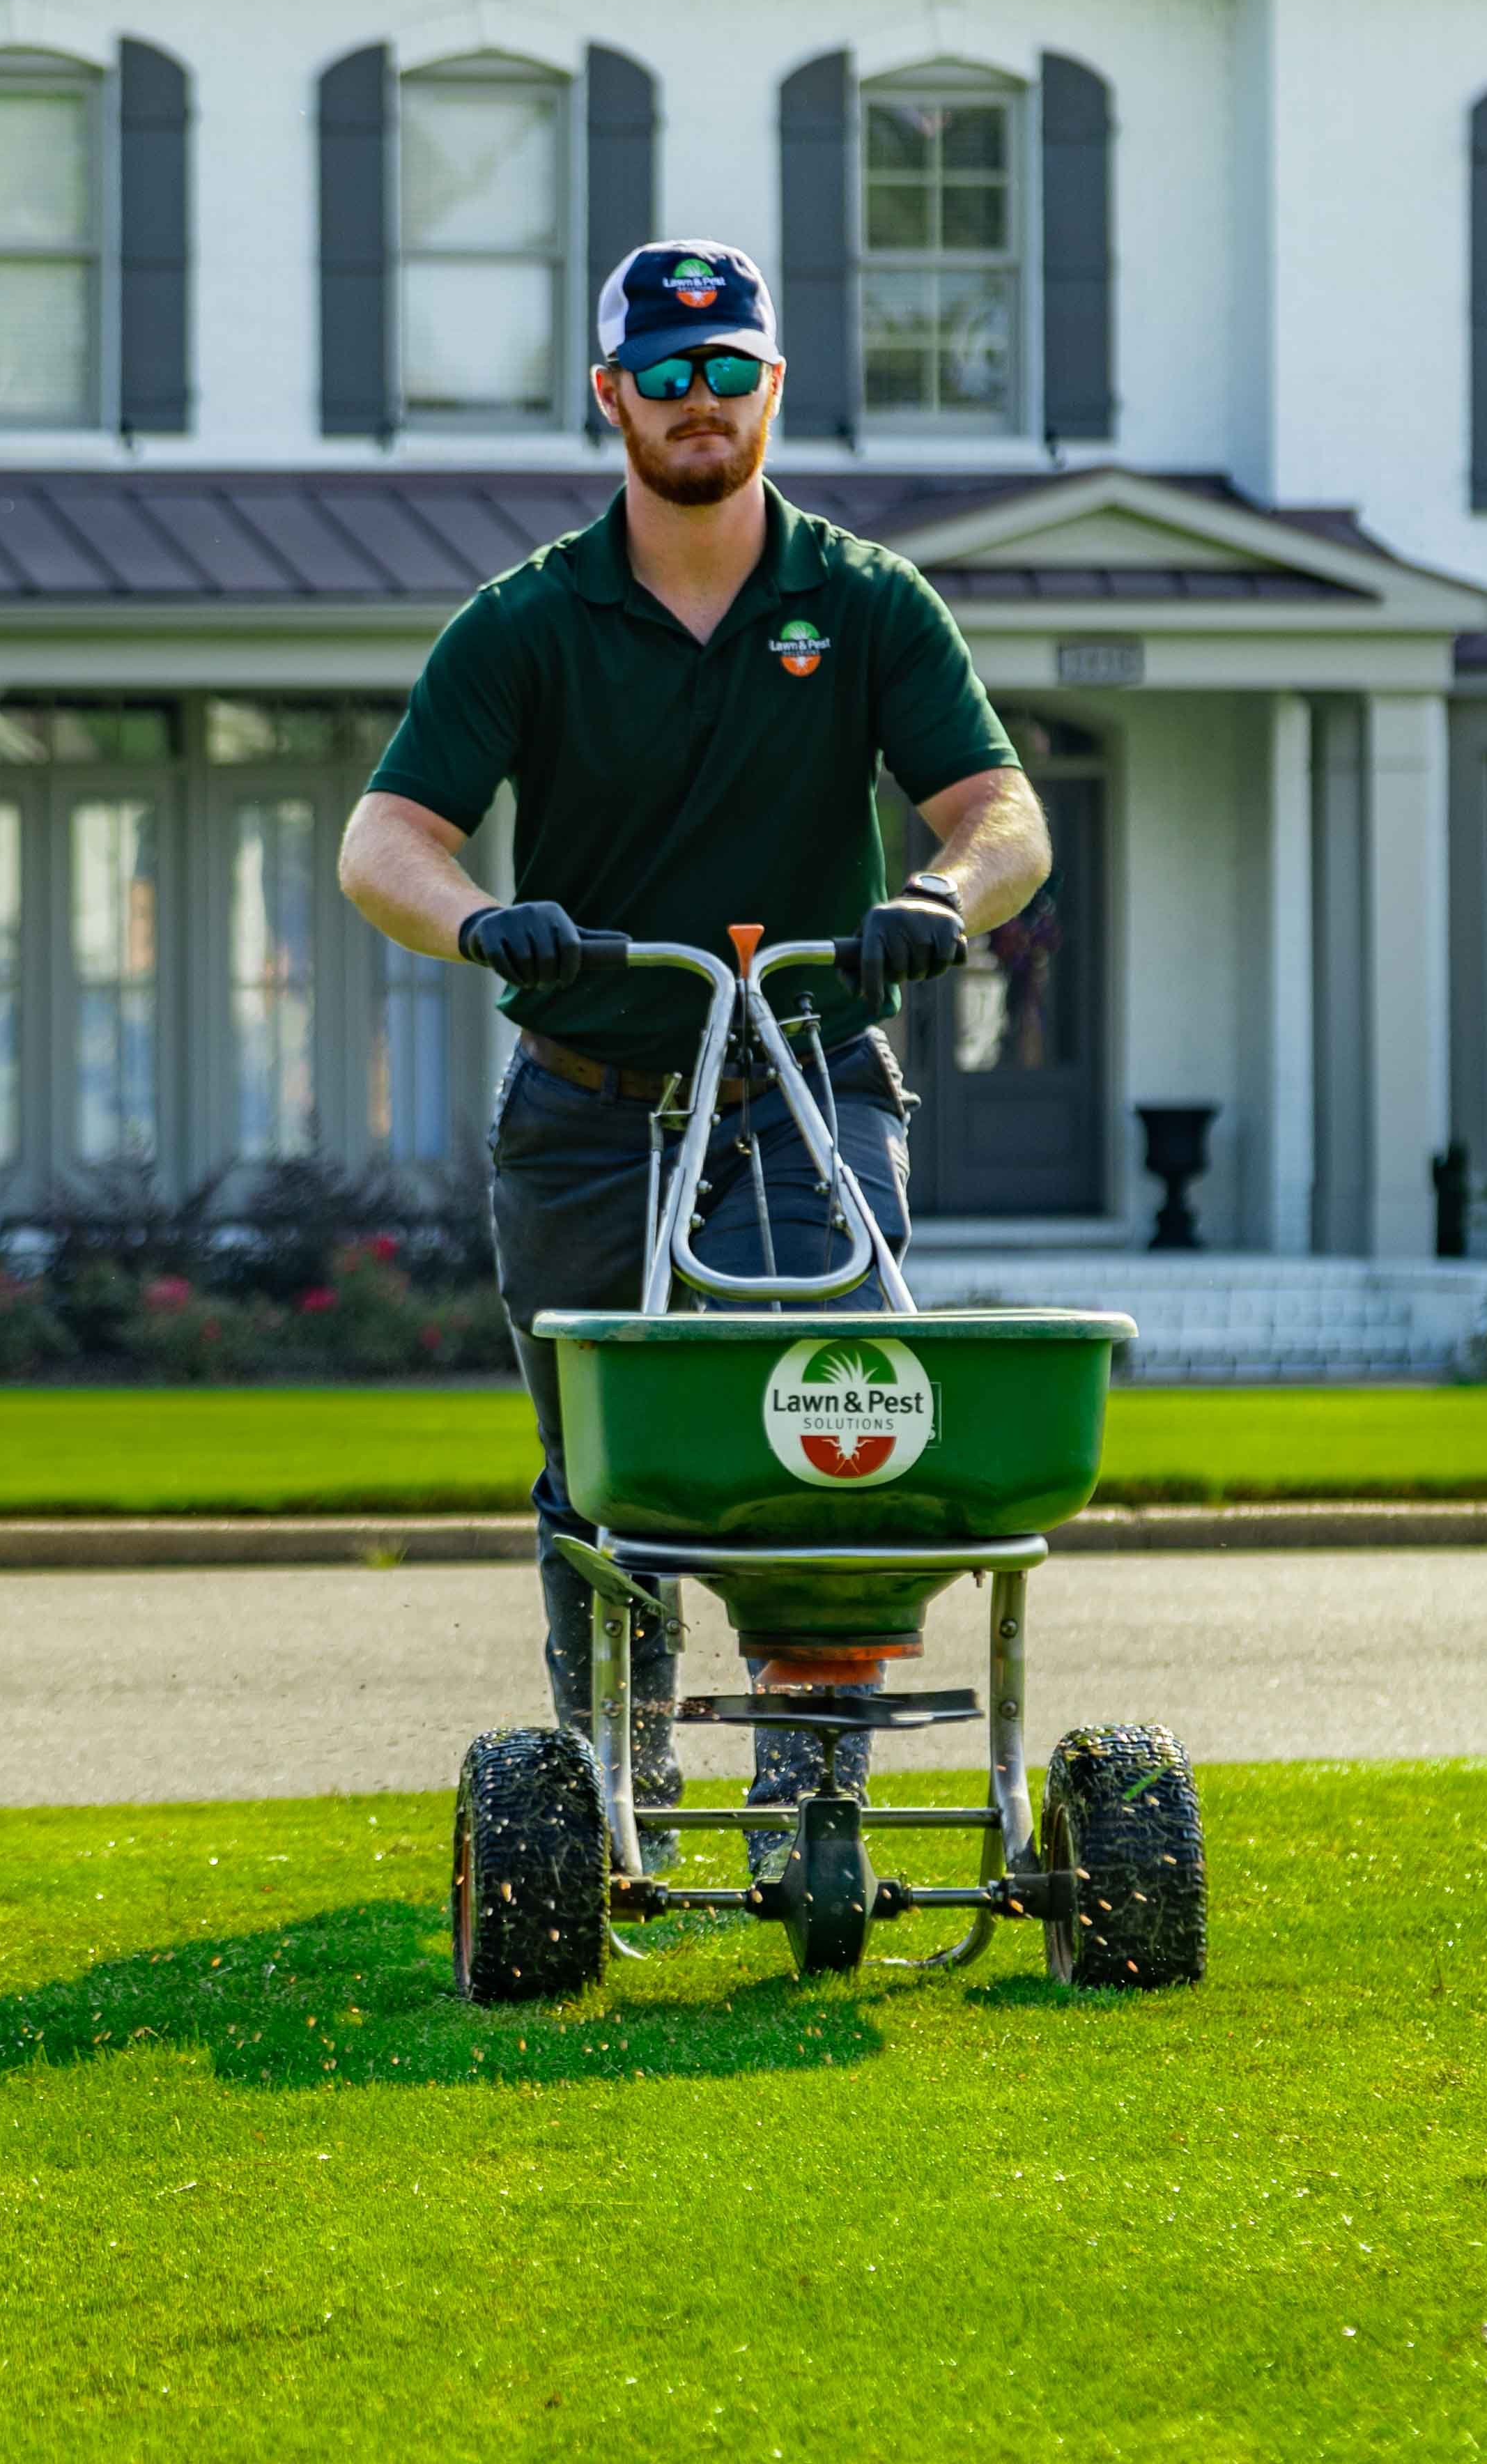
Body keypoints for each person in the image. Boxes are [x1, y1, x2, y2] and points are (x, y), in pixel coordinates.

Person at [337, 237, 1054, 1854]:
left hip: (804, 1083)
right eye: (665, 376)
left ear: (773, 387)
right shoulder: (527, 621)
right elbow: (384, 841)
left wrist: (940, 896)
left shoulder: (866, 603)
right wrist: (478, 920)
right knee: (606, 1469)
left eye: (730, 370)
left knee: (826, 1430)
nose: (700, 402)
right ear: (612, 398)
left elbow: (1002, 813)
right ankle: (613, 1793)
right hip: (587, 1103)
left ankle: (815, 1802)